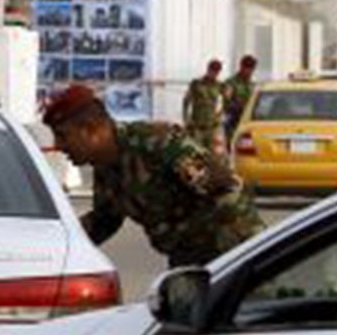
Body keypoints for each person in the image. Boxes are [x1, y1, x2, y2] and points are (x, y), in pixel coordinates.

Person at [42, 83, 262, 269]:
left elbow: (227, 190)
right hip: (188, 260)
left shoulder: (157, 143)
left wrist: (235, 261)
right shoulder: (106, 167)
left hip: (234, 255)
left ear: (90, 130)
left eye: (63, 136)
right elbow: (104, 220)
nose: (59, 146)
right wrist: (54, 247)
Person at [183, 58, 225, 152]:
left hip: (212, 126)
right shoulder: (196, 83)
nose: (214, 74)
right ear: (208, 69)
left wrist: (220, 114)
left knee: (211, 153)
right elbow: (186, 101)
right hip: (197, 125)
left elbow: (227, 100)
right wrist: (186, 119)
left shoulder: (219, 85)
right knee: (196, 153)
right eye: (213, 71)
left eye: (217, 72)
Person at [222, 54, 259, 141]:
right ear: (241, 66)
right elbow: (227, 102)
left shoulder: (252, 85)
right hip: (234, 122)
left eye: (252, 69)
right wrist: (240, 107)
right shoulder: (231, 83)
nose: (249, 71)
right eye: (247, 68)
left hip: (249, 124)